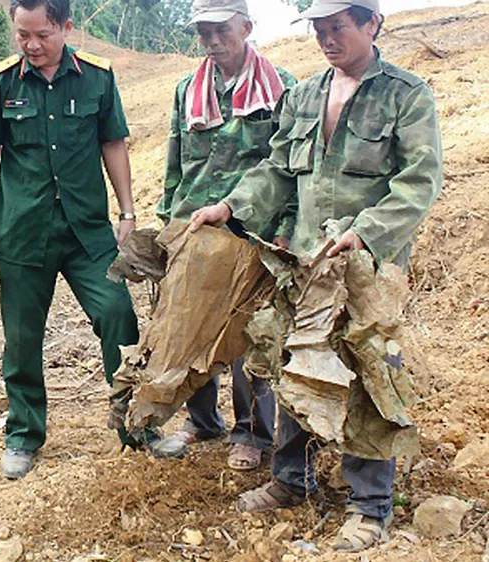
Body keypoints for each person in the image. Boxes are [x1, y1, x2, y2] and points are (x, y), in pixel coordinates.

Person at [189, 0, 442, 551]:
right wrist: (230, 207)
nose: (327, 40)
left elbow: (419, 181)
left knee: (370, 378)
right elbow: (277, 170)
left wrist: (366, 232)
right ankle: (291, 480)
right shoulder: (304, 95)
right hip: (305, 261)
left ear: (372, 24)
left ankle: (369, 505)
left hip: (366, 269)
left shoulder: (406, 95)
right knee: (294, 365)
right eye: (319, 30)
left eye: (337, 28)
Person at [0, 0, 147, 480]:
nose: (32, 45)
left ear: (66, 26)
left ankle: (135, 423)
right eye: (22, 35)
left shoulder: (97, 77)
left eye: (42, 34)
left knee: (117, 314)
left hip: (87, 231)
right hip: (22, 230)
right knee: (22, 337)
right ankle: (23, 433)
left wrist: (126, 212)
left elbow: (113, 143)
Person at [149, 0, 297, 470]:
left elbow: (290, 166)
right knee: (190, 324)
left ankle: (252, 432)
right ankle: (202, 419)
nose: (212, 42)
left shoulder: (281, 87)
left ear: (246, 27)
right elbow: (176, 159)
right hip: (195, 223)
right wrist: (168, 222)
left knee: (248, 335)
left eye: (222, 31)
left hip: (253, 230)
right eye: (204, 33)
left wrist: (287, 228)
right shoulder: (187, 89)